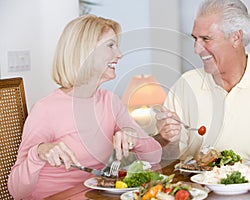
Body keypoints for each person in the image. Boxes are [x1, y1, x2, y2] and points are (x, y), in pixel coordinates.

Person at [8, 14, 162, 200]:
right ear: (85, 52)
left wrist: (133, 135)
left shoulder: (109, 102)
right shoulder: (46, 109)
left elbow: (155, 155)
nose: (119, 54)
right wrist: (38, 152)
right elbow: (16, 191)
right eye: (110, 45)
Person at [155, 0, 250, 179]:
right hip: (198, 192)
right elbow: (166, 161)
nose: (196, 49)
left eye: (206, 39)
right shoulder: (186, 84)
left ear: (236, 37)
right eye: (195, 39)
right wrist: (166, 139)